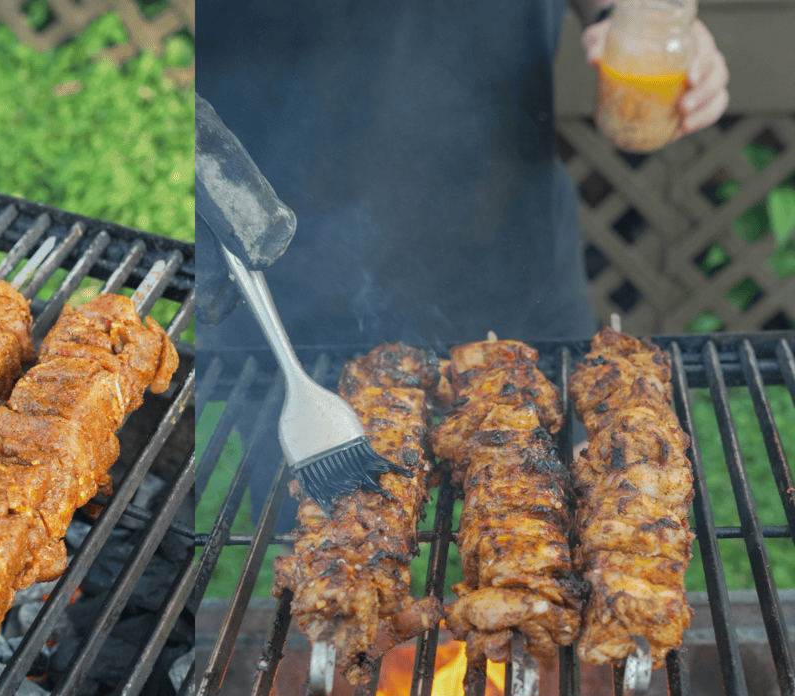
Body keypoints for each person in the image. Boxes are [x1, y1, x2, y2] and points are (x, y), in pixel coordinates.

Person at [194, 0, 728, 529]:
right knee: (326, 529)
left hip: (511, 251)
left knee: (559, 516)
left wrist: (625, 16)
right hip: (279, 266)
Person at [195, 0, 729, 360]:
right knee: (316, 518)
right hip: (278, 250)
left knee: (550, 501)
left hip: (510, 247)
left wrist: (635, 19)